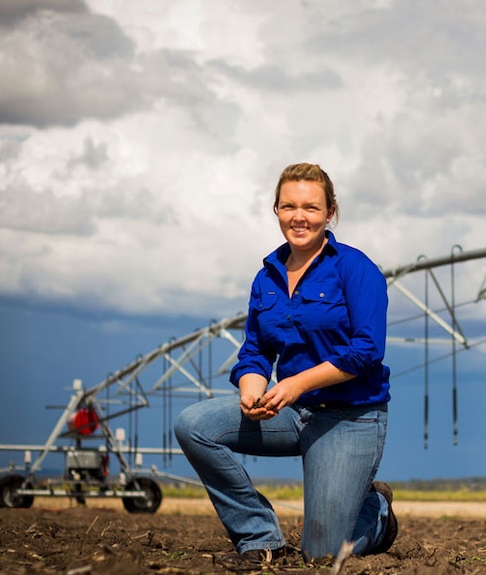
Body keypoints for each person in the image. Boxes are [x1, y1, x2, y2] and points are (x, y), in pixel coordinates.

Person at [175, 162, 396, 568]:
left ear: (330, 212)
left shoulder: (355, 268)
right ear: (275, 210)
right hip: (292, 413)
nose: (299, 217)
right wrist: (251, 390)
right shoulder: (267, 277)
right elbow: (256, 349)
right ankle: (259, 536)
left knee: (323, 555)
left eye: (311, 208)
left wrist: (296, 383)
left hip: (350, 417)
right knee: (194, 424)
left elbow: (366, 350)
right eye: (289, 206)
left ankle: (376, 513)